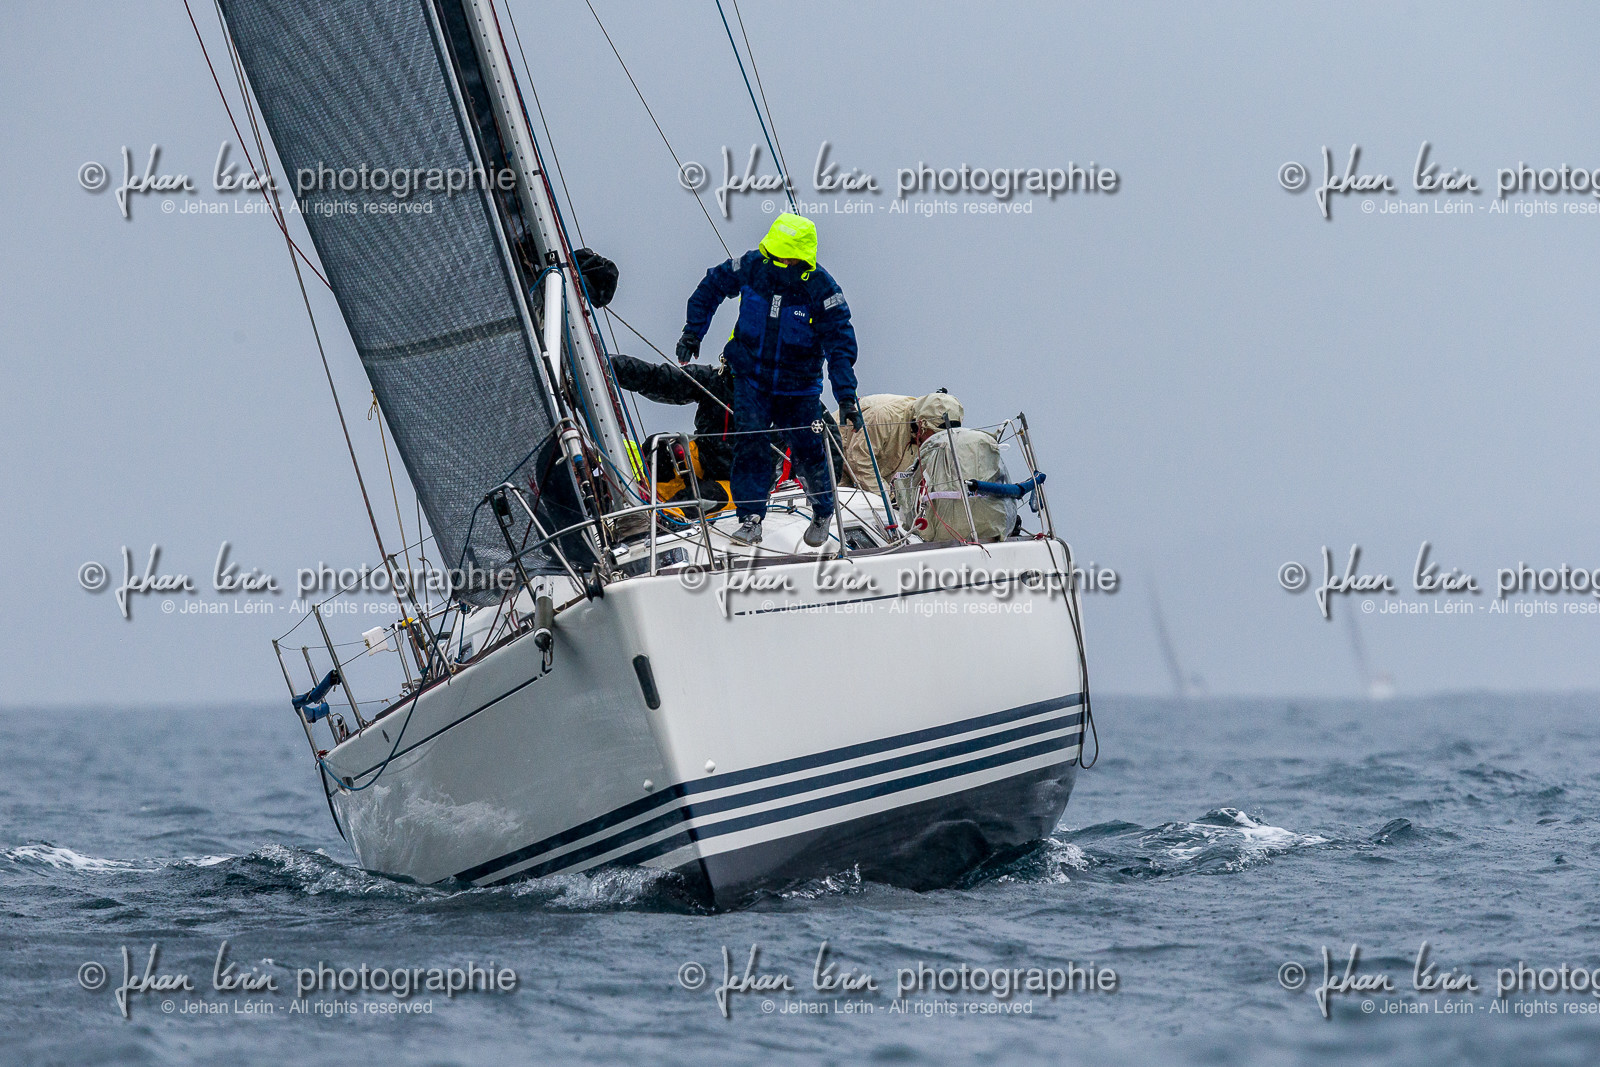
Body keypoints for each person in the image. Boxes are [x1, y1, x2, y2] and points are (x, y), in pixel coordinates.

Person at [675, 213, 861, 547]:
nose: (777, 262)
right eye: (774, 254)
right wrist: (692, 332)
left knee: (807, 449)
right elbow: (711, 286)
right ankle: (750, 518)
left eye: (784, 258)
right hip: (751, 378)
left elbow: (840, 344)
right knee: (750, 445)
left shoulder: (822, 289)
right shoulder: (753, 266)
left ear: (801, 258)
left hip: (798, 386)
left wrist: (846, 396)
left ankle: (822, 509)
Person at [836, 390, 964, 489]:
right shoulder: (885, 416)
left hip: (876, 470)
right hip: (835, 456)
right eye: (937, 435)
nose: (941, 440)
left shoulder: (924, 432)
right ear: (922, 424)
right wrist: (888, 497)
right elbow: (859, 462)